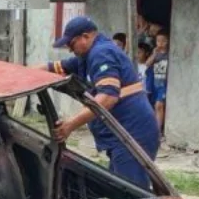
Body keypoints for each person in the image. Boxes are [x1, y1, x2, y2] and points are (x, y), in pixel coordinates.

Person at [42, 16, 161, 189]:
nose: (69, 49)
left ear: (86, 37)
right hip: (121, 135)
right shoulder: (87, 55)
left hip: (132, 135)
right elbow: (53, 68)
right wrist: (18, 75)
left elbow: (108, 97)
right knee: (118, 190)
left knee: (129, 197)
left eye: (71, 43)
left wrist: (70, 125)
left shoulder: (101, 53)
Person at [148, 30, 170, 133]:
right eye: (158, 41)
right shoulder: (156, 54)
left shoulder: (169, 55)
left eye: (163, 41)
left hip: (164, 84)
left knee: (159, 105)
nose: (160, 43)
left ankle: (158, 131)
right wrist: (154, 54)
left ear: (168, 42)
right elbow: (147, 64)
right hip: (155, 84)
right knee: (154, 107)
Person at [136, 41, 156, 107]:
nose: (137, 55)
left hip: (146, 95)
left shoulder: (148, 67)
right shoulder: (133, 65)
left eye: (140, 52)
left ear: (147, 53)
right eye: (136, 52)